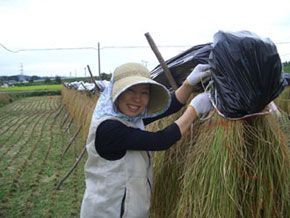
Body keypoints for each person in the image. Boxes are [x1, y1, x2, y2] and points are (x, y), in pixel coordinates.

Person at [80, 62, 212, 218]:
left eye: (144, 93)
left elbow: (171, 106)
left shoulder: (128, 117)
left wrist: (189, 83)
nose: (137, 99)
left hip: (129, 206)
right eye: (130, 90)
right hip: (109, 210)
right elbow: (161, 141)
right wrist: (193, 111)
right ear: (116, 92)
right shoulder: (109, 129)